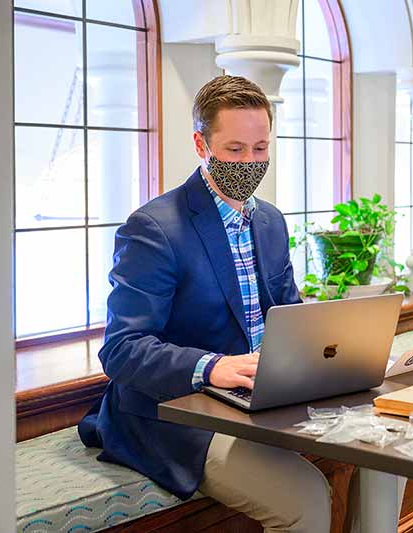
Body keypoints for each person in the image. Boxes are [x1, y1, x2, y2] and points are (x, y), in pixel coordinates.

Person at [78, 75, 331, 532]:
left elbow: (290, 314)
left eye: (260, 149)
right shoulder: (154, 228)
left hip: (259, 398)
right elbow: (120, 350)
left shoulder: (271, 222)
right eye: (234, 150)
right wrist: (211, 366)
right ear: (201, 144)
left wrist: (335, 347)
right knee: (308, 497)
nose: (250, 162)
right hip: (175, 412)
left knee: (391, 456)